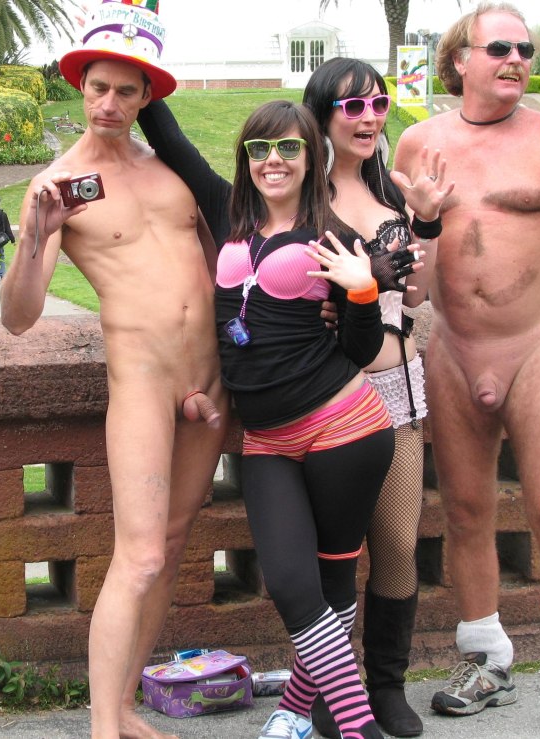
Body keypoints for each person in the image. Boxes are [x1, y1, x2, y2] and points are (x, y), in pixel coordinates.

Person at [394, 4, 540, 739]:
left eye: (524, 48)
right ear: (457, 59)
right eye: (497, 46)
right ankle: (486, 656)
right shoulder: (417, 143)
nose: (514, 58)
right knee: (464, 512)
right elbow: (411, 282)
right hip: (455, 349)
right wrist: (424, 223)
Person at [139, 91, 399, 738]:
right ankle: (348, 720)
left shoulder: (334, 235)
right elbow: (168, 138)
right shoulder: (228, 210)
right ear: (246, 157)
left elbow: (361, 350)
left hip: (345, 428)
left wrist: (361, 290)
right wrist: (137, 56)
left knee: (335, 587)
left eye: (288, 147)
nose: (272, 160)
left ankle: (310, 713)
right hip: (266, 438)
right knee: (289, 581)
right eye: (260, 148)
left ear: (312, 157)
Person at [0, 3, 228, 737]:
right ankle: (102, 725)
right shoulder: (58, 185)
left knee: (176, 538)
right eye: (98, 87)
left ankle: (124, 701)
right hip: (141, 383)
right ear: (79, 86)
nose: (108, 104)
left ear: (145, 98)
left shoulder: (171, 173)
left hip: (209, 381)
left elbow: (220, 262)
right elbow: (17, 316)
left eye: (125, 92)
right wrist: (35, 238)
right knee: (138, 555)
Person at [263, 56, 451, 739]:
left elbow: (417, 301)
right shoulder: (299, 206)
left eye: (376, 104)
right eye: (352, 107)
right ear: (321, 116)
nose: (370, 117)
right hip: (329, 399)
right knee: (328, 553)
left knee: (397, 544)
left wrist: (425, 224)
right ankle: (327, 692)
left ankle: (387, 684)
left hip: (399, 392)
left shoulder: (394, 200)